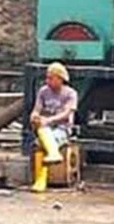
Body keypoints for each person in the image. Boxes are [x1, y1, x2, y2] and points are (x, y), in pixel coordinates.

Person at [29, 61, 78, 193]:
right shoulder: (43, 91)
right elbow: (37, 109)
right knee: (39, 142)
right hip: (45, 128)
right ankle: (41, 177)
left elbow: (67, 114)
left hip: (62, 128)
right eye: (47, 77)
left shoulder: (70, 94)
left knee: (44, 140)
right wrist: (34, 116)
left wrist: (49, 120)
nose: (48, 81)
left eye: (51, 78)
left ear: (60, 79)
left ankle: (43, 177)